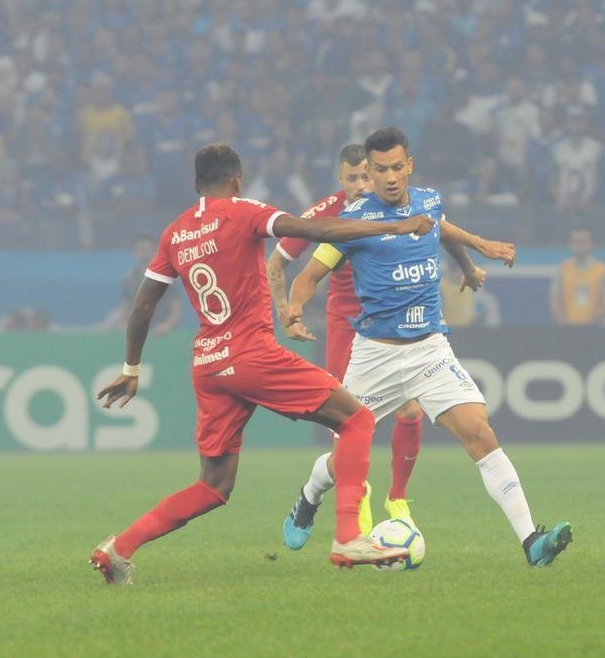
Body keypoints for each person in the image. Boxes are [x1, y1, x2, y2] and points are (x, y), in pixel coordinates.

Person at [90, 143, 435, 583]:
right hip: (250, 354)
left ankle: (117, 549)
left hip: (208, 365)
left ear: (198, 184)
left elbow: (142, 306)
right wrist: (397, 225)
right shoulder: (243, 211)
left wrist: (131, 368)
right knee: (357, 420)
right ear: (236, 179)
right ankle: (349, 535)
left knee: (212, 487)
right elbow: (314, 230)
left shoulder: (174, 232)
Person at [283, 127, 572, 566]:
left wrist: (477, 251)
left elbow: (440, 228)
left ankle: (532, 541)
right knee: (345, 462)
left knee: (479, 430)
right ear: (371, 172)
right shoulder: (355, 221)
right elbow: (307, 277)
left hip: (429, 351)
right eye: (380, 170)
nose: (390, 177)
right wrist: (295, 310)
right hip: (376, 356)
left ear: (409, 166)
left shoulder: (429, 200)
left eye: (397, 167)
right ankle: (309, 494)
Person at [265, 143, 427, 546]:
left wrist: (468, 264)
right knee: (353, 423)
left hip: (392, 320)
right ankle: (322, 499)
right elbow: (276, 263)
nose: (360, 184)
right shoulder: (326, 213)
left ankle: (399, 499)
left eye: (364, 176)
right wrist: (287, 312)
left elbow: (438, 234)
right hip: (347, 326)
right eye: (351, 178)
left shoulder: (401, 203)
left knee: (410, 410)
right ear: (340, 179)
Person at [551, 228, 605, 325]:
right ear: (570, 245)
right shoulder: (562, 270)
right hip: (568, 330)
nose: (580, 246)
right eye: (576, 242)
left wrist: (588, 326)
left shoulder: (603, 270)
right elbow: (555, 302)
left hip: (596, 330)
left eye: (584, 242)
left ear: (591, 244)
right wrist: (565, 326)